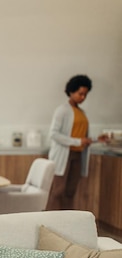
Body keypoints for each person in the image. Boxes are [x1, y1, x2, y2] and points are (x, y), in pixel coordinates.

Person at [46, 74, 95, 210]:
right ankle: (50, 221)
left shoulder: (82, 112)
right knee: (58, 190)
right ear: (71, 91)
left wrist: (95, 139)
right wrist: (78, 141)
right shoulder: (62, 110)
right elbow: (54, 134)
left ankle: (67, 223)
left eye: (85, 94)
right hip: (63, 156)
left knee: (70, 191)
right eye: (80, 94)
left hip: (77, 156)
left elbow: (81, 135)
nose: (83, 97)